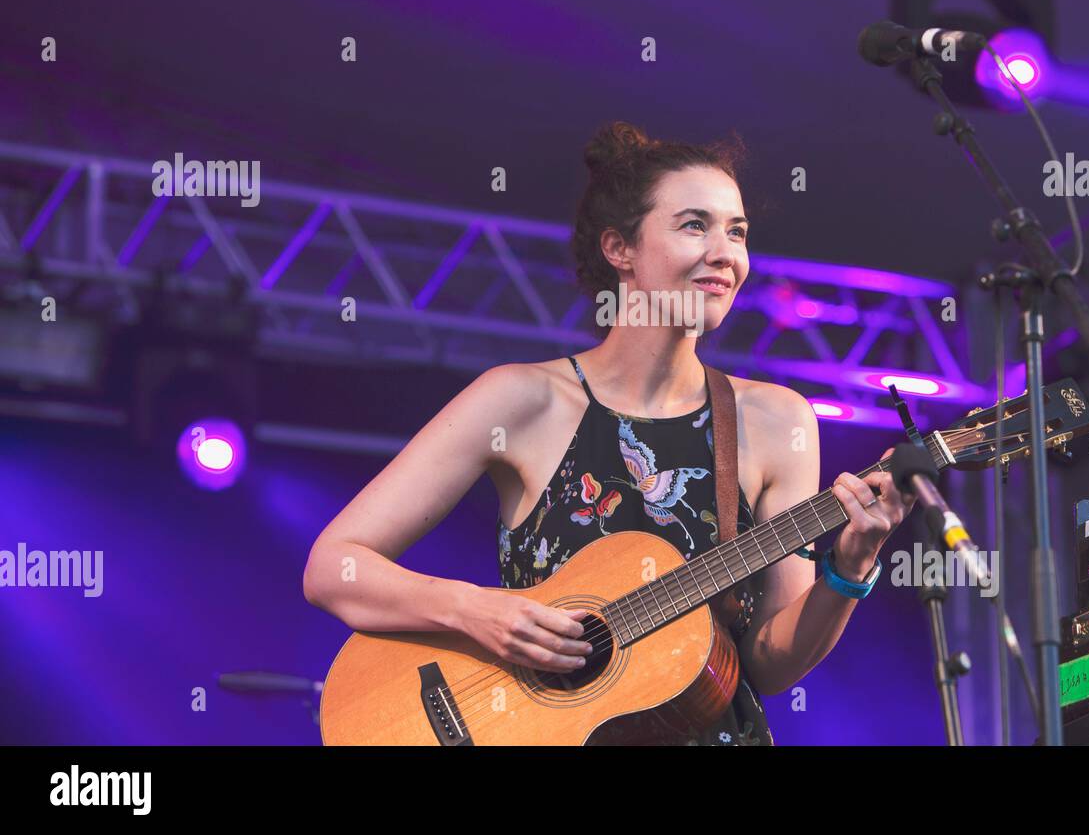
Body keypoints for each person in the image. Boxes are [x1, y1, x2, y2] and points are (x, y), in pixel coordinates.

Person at [303, 120, 913, 745]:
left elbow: (767, 664)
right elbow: (333, 566)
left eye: (738, 232)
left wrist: (851, 566)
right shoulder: (521, 399)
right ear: (620, 248)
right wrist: (478, 610)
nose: (726, 253)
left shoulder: (776, 419)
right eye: (694, 225)